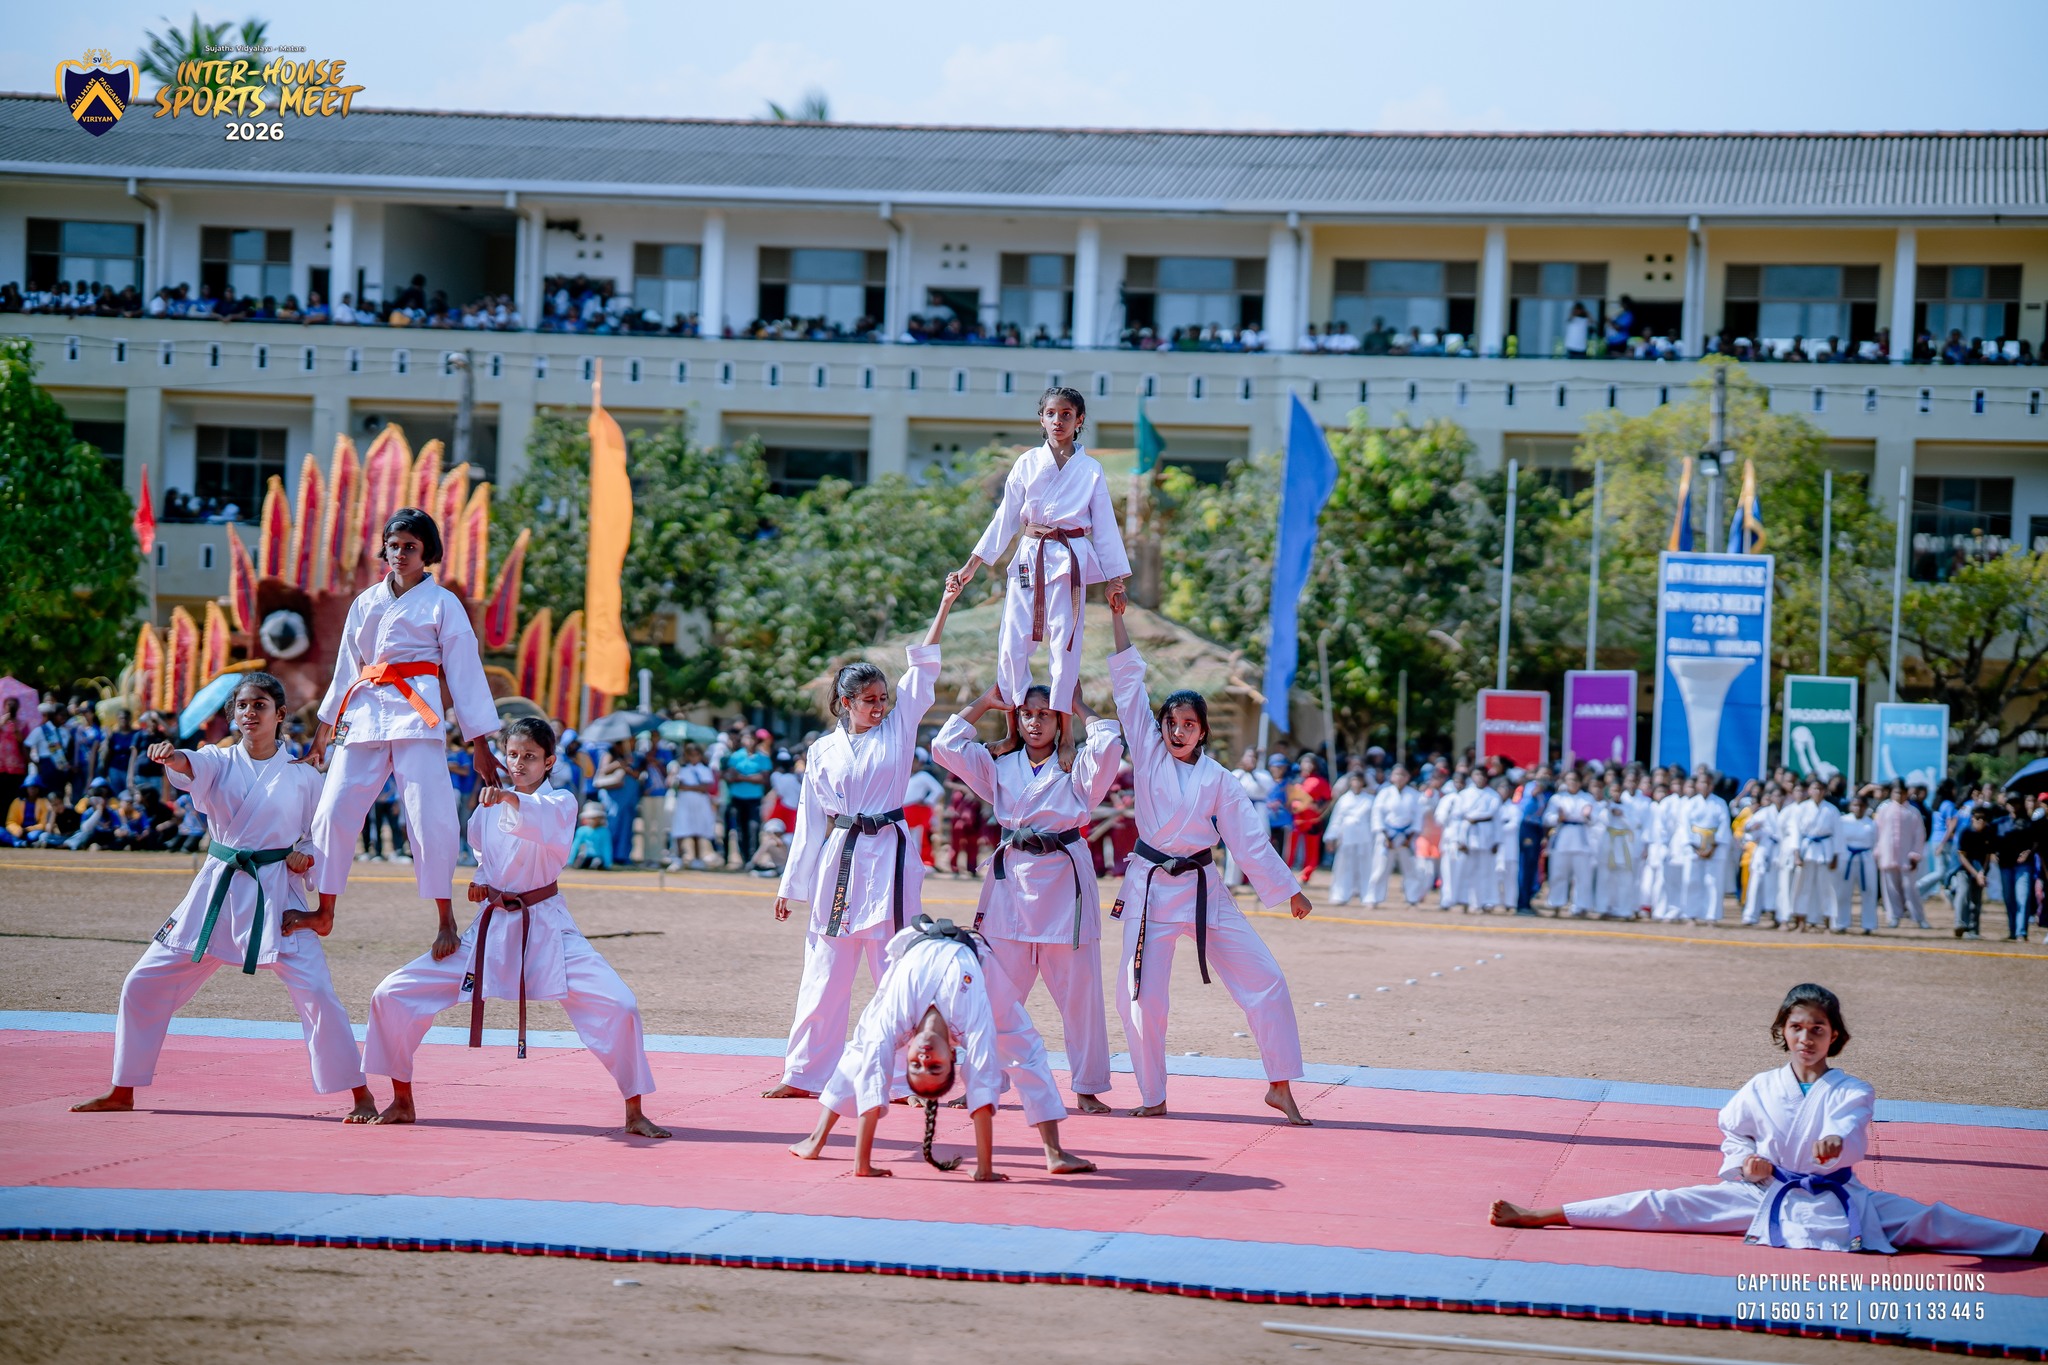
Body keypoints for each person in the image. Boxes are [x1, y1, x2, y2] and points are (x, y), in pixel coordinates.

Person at [1490, 983, 2047, 1259]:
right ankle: (1544, 1213)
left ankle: (2035, 1242)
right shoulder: (1761, 1086)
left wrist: (1835, 1142)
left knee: (1932, 1221)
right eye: (1797, 1028)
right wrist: (1745, 1163)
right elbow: (1733, 1130)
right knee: (1665, 1204)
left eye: (1818, 1030)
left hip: (1840, 1199)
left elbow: (1850, 1125)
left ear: (1835, 1036)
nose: (1807, 1038)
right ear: (1783, 1030)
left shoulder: (1852, 1089)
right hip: (1765, 1194)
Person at [71, 675, 376, 1120]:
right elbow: (191, 764)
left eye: (260, 705)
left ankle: (360, 1094)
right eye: (243, 706)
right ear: (233, 715)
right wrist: (171, 755)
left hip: (277, 898)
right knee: (142, 982)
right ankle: (122, 1089)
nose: (250, 713)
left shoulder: (303, 775)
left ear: (280, 715)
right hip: (216, 892)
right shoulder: (219, 759)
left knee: (318, 993)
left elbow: (319, 834)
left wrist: (304, 856)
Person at [355, 717, 668, 1136]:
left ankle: (634, 1110)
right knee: (392, 993)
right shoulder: (486, 808)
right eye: (513, 755)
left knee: (620, 1005)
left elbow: (540, 820)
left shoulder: (561, 802)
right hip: (491, 932)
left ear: (549, 761)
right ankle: (402, 1099)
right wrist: (481, 883)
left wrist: (507, 796)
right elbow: (485, 859)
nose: (519, 763)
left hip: (548, 930)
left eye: (530, 756)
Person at [1107, 598, 1315, 1125]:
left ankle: (1280, 1085)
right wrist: (1117, 617)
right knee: (1140, 998)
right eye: (1171, 723)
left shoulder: (1220, 779)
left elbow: (1248, 839)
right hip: (1150, 890)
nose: (1178, 731)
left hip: (1203, 889)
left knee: (1266, 978)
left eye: (1189, 724)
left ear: (1203, 731)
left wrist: (1288, 888)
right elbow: (1129, 687)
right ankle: (1153, 1093)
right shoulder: (1147, 751)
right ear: (1160, 726)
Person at [765, 582, 957, 1099]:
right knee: (824, 970)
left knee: (895, 968)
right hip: (840, 860)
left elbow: (923, 671)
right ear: (845, 702)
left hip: (889, 856)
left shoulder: (899, 728)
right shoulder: (822, 751)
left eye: (883, 699)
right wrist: (790, 886)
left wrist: (943, 605)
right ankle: (803, 1074)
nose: (879, 707)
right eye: (869, 701)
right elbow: (810, 822)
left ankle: (903, 1076)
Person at [304, 508, 503, 939]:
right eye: (393, 546)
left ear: (427, 551)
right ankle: (324, 910)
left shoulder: (442, 603)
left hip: (416, 718)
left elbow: (465, 673)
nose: (399, 554)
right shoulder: (365, 602)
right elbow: (346, 668)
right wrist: (323, 731)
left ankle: (445, 919)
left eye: (410, 547)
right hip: (363, 714)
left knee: (431, 819)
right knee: (332, 811)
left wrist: (480, 743)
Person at [932, 679, 1124, 1113]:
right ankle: (982, 1082)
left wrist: (1078, 705)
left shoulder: (1078, 767)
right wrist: (984, 702)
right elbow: (945, 746)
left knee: (1080, 996)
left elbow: (1110, 743)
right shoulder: (1000, 764)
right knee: (992, 993)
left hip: (1065, 887)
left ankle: (1087, 1085)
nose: (1035, 723)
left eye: (1045, 714)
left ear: (1059, 720)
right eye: (1027, 714)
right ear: (1016, 719)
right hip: (1011, 887)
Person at [788, 916, 1095, 1180]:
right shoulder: (972, 1016)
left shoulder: (896, 1016)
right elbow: (982, 1078)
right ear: (952, 1055)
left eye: (916, 1065)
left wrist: (862, 1164)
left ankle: (816, 1139)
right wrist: (984, 1169)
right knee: (1026, 1049)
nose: (924, 1058)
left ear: (906, 1050)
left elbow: (874, 1073)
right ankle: (1054, 1152)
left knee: (864, 1047)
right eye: (934, 1066)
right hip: (982, 971)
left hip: (913, 953)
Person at [946, 386, 1131, 717]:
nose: (1058, 421)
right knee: (1013, 639)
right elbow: (1005, 518)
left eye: (1066, 414)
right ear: (1041, 419)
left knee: (1065, 643)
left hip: (1070, 558)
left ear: (1079, 420)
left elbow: (1105, 527)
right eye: (1051, 414)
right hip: (1031, 555)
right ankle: (1012, 724)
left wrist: (1115, 581)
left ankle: (1063, 731)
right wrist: (971, 565)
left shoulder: (1091, 469)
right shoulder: (1027, 463)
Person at [1781, 778, 1839, 932]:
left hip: (1826, 851)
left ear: (1824, 791)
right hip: (1806, 850)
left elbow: (1838, 835)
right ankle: (1801, 921)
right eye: (1814, 788)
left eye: (1820, 789)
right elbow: (1796, 833)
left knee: (1827, 888)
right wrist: (1796, 854)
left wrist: (1836, 856)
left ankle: (1828, 922)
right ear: (1809, 791)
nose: (1817, 792)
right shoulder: (1802, 808)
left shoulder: (1831, 810)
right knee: (1802, 887)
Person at [1873, 781, 1928, 929]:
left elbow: (1919, 835)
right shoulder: (1884, 810)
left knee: (1910, 888)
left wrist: (1915, 855)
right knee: (1890, 888)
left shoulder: (1913, 812)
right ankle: (1893, 916)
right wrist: (1877, 852)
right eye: (1896, 792)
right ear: (1891, 794)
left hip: (1906, 857)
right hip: (1887, 855)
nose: (1898, 795)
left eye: (1901, 793)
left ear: (1906, 794)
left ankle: (1919, 917)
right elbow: (1877, 832)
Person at [1543, 769, 1595, 915]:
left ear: (1580, 782)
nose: (1572, 783)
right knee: (1558, 872)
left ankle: (1581, 906)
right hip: (1563, 836)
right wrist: (1558, 818)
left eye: (1575, 780)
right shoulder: (1558, 798)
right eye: (1570, 780)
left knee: (1582, 875)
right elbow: (1547, 818)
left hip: (1581, 837)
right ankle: (1556, 903)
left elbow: (1595, 818)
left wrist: (1588, 815)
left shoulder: (1587, 798)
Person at [1325, 770, 1375, 905]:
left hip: (1365, 836)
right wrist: (1331, 836)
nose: (1356, 783)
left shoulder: (1370, 799)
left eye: (1359, 780)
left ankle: (1367, 895)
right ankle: (1340, 895)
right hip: (1346, 835)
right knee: (1343, 867)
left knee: (1366, 866)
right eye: (1354, 780)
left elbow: (1374, 820)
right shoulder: (1344, 799)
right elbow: (1336, 819)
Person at [665, 741, 717, 870]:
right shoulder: (681, 769)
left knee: (697, 830)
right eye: (691, 755)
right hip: (684, 802)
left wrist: (689, 787)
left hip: (699, 804)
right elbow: (677, 785)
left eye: (696, 755)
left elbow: (705, 787)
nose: (693, 758)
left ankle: (697, 858)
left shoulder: (704, 770)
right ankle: (678, 857)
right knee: (681, 828)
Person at [1592, 778, 1639, 919]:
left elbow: (1635, 824)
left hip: (1624, 843)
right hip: (1609, 842)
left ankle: (1624, 910)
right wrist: (1608, 809)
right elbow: (1598, 820)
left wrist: (1622, 814)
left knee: (1625, 879)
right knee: (1605, 878)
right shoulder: (1604, 806)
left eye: (1618, 791)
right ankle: (1603, 908)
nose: (1615, 793)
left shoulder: (1629, 806)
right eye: (1613, 791)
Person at [1832, 795, 1878, 935]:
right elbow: (1837, 840)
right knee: (1843, 892)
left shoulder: (1871, 823)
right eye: (1855, 805)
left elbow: (1876, 842)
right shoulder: (1843, 821)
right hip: (1846, 858)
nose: (1858, 808)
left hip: (1866, 858)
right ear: (1851, 806)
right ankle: (1841, 923)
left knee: (1869, 891)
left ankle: (1868, 924)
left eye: (1861, 805)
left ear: (1866, 807)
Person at [592, 741, 641, 868]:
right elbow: (602, 771)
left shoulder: (631, 756)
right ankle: (607, 856)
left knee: (625, 826)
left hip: (627, 798)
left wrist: (627, 768)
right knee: (612, 824)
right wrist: (617, 765)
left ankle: (622, 856)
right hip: (613, 797)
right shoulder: (608, 754)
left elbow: (636, 775)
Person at [1952, 805, 1995, 940]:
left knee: (1976, 900)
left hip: (1980, 869)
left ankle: (1973, 930)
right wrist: (1976, 874)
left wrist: (1982, 872)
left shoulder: (1989, 832)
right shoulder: (1966, 832)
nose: (1981, 821)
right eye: (1978, 818)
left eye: (1984, 818)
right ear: (1972, 818)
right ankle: (1959, 924)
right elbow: (1962, 856)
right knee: (1963, 892)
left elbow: (1988, 856)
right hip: (1963, 868)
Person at [903, 749, 945, 869]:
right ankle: (908, 861)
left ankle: (924, 861)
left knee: (921, 836)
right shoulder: (906, 776)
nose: (913, 764)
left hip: (918, 810)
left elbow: (939, 790)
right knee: (907, 836)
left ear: (920, 763)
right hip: (905, 810)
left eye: (915, 762)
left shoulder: (923, 776)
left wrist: (927, 801)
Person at [0, 697, 30, 824]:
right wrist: (2, 722)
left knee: (14, 796)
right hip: (2, 766)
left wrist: (17, 730)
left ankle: (13, 822)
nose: (11, 706)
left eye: (13, 704)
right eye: (8, 704)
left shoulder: (22, 724)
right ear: (4, 706)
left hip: (17, 767)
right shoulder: (1, 722)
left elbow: (26, 743)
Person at [570, 801, 611, 869]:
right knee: (580, 860)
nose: (592, 820)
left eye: (595, 818)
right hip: (584, 855)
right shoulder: (581, 830)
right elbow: (575, 846)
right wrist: (569, 862)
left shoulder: (604, 832)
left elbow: (606, 848)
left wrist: (607, 864)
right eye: (590, 818)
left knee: (597, 861)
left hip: (597, 857)